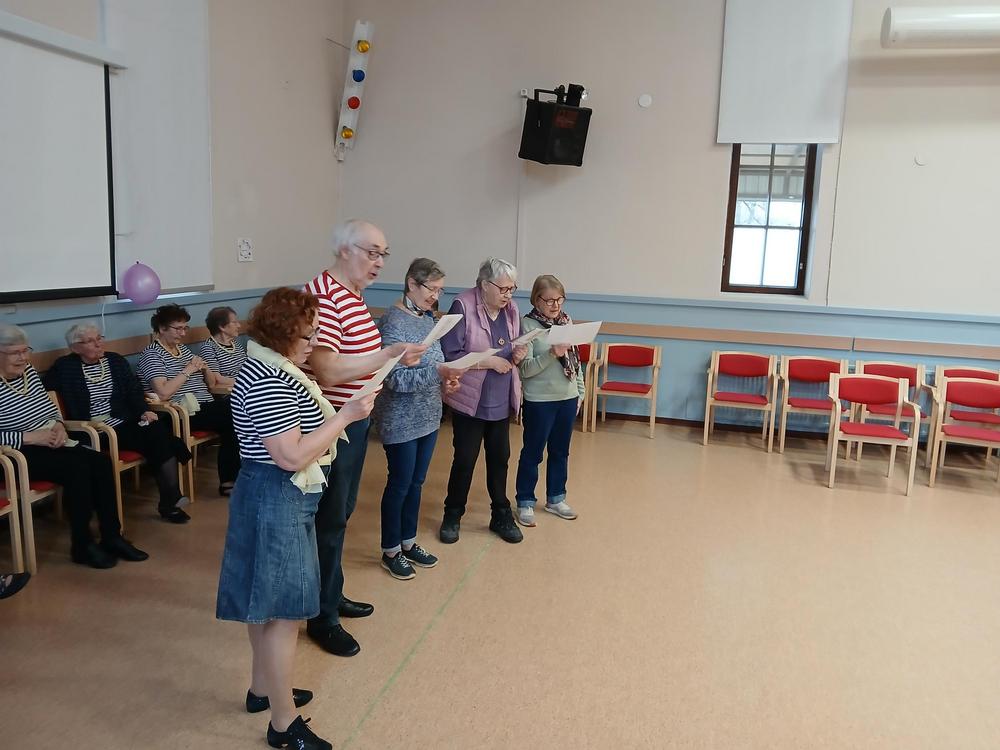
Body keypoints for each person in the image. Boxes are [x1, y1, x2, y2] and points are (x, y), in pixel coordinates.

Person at [216, 287, 375, 750]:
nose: (315, 341)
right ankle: (284, 724)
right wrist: (345, 416)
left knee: (264, 603)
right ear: (282, 333)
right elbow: (291, 456)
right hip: (277, 496)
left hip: (268, 494)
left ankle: (262, 689)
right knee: (283, 613)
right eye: (308, 334)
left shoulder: (272, 367)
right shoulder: (270, 378)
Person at [300, 219, 425, 656]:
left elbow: (358, 361)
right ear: (344, 250)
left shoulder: (352, 294)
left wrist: (391, 360)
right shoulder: (323, 296)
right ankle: (321, 616)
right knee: (328, 519)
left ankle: (331, 593)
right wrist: (388, 354)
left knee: (341, 514)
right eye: (372, 252)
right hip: (331, 423)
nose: (379, 262)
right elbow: (328, 369)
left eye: (383, 254)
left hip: (354, 420)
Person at [0, 323, 148, 569]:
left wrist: (59, 426)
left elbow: (49, 409)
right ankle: (82, 544)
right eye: (15, 353)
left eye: (26, 351)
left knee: (100, 462)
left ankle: (112, 536)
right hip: (15, 453)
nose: (23, 358)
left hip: (49, 440)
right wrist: (31, 437)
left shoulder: (28, 373)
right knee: (76, 468)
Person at [43, 322, 193, 523]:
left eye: (99, 338)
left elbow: (133, 390)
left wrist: (144, 411)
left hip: (122, 422)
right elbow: (44, 395)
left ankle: (170, 498)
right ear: (75, 347)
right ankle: (170, 501)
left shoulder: (115, 360)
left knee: (156, 429)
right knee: (167, 441)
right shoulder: (64, 367)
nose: (98, 344)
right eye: (90, 341)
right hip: (94, 431)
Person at [373, 258, 462, 580]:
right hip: (400, 417)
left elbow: (434, 363)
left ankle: (408, 542)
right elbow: (394, 379)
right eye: (431, 289)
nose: (435, 297)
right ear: (412, 283)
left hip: (428, 414)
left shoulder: (428, 318)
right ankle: (390, 550)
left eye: (440, 290)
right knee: (400, 484)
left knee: (417, 482)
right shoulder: (393, 322)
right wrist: (438, 372)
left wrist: (446, 379)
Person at [438, 258, 527, 545]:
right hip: (471, 398)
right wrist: (488, 362)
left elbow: (513, 345)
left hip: (501, 396)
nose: (508, 295)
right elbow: (450, 355)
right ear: (485, 284)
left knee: (500, 458)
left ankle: (501, 514)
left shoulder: (511, 309)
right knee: (465, 459)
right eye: (503, 289)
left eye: (512, 289)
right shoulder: (462, 306)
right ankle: (452, 514)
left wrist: (518, 354)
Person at [138, 304, 241, 496]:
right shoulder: (152, 355)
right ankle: (230, 480)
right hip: (182, 411)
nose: (183, 333)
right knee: (237, 413)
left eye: (185, 328)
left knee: (240, 412)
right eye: (178, 328)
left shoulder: (182, 350)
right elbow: (163, 393)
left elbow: (210, 383)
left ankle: (233, 479)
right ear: (162, 328)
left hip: (204, 405)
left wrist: (205, 367)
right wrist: (187, 370)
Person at [514, 275, 584, 527]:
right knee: (533, 452)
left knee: (560, 452)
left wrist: (580, 391)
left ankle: (556, 498)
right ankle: (525, 501)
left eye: (559, 299)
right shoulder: (528, 325)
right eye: (549, 300)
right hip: (540, 401)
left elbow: (575, 361)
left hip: (567, 398)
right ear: (536, 300)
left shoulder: (566, 322)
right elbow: (526, 370)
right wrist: (552, 354)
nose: (555, 305)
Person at [198, 306, 247, 393]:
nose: (239, 325)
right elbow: (217, 379)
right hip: (230, 392)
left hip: (246, 387)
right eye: (234, 322)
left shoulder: (235, 344)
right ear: (222, 327)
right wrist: (246, 383)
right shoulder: (209, 348)